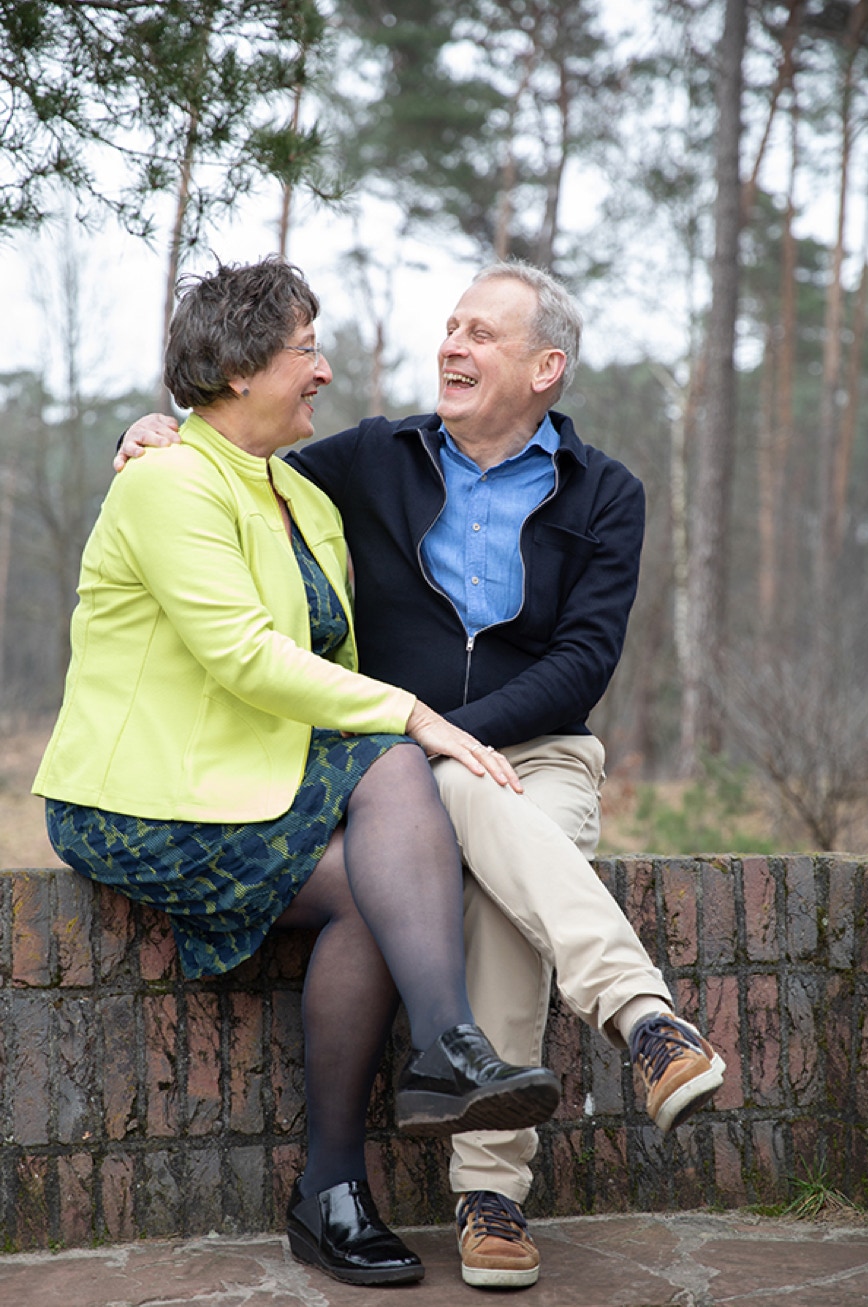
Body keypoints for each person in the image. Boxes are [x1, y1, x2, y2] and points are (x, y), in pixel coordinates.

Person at [118, 259, 726, 1291]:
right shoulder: (371, 457)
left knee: (495, 842)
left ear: (546, 367)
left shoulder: (605, 492)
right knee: (465, 829)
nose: (452, 344)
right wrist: (150, 426)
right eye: (450, 326)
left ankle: (492, 1190)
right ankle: (640, 1023)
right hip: (397, 756)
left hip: (536, 748)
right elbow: (233, 463)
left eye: (482, 333)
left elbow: (584, 658)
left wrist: (456, 732)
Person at [33, 256, 566, 1290]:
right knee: (395, 755)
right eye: (306, 351)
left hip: (249, 778)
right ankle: (445, 1050)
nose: (323, 372)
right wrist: (416, 715)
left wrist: (408, 721)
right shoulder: (168, 483)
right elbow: (242, 652)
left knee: (381, 885)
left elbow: (333, 663)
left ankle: (335, 1185)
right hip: (139, 798)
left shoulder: (295, 494)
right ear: (238, 368)